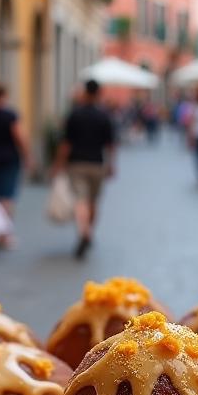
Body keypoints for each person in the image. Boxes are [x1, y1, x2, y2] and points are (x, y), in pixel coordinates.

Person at [53, 78, 116, 259]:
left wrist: (58, 165)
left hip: (76, 163)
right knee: (93, 202)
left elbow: (66, 143)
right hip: (97, 163)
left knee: (81, 200)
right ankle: (89, 232)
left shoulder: (75, 114)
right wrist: (111, 165)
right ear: (99, 93)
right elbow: (110, 145)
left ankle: (83, 232)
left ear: (85, 92)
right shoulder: (104, 116)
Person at [0, 83, 29, 247]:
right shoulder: (9, 115)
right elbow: (19, 136)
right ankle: (4, 233)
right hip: (9, 158)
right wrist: (27, 155)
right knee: (7, 196)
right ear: (5, 96)